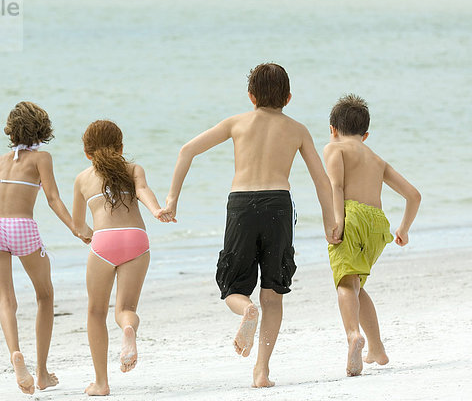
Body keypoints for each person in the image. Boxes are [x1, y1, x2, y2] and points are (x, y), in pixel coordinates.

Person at [159, 63, 341, 388]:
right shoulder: (297, 129)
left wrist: (171, 200)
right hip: (279, 206)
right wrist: (331, 220)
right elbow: (320, 180)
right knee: (274, 292)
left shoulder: (236, 123)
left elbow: (187, 150)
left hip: (241, 205)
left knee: (232, 287)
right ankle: (262, 371)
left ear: (250, 96)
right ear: (288, 97)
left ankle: (245, 309)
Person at [0, 101, 75, 394]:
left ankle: (15, 354)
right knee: (45, 295)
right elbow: (52, 199)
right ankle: (43, 372)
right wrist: (76, 227)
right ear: (43, 130)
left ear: (11, 130)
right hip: (21, 227)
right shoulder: (42, 158)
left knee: (5, 300)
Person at [72, 119, 172, 396]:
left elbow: (78, 225)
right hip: (135, 238)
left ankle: (101, 383)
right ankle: (128, 328)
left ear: (87, 153)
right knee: (125, 308)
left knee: (95, 311)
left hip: (104, 241)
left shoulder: (82, 178)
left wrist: (86, 235)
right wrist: (156, 210)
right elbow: (142, 191)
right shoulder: (134, 169)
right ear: (121, 147)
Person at [323, 94, 421, 377]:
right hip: (378, 225)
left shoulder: (334, 147)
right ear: (365, 134)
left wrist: (338, 221)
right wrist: (402, 229)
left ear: (333, 128)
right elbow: (414, 195)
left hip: (351, 217)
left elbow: (337, 186)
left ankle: (353, 335)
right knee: (355, 284)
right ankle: (376, 348)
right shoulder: (377, 160)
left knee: (344, 281)